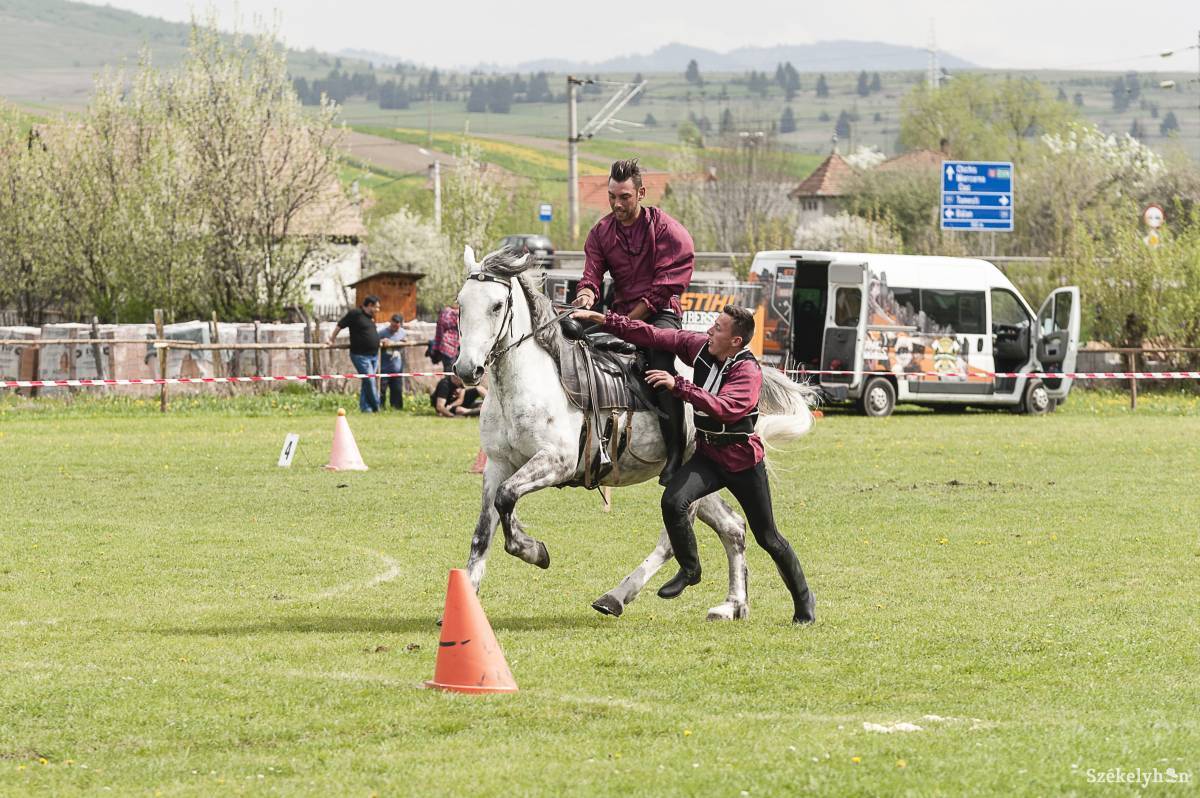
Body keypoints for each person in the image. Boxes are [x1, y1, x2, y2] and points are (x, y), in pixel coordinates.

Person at [572, 304, 816, 625]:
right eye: (713, 325)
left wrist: (679, 386)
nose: (710, 331)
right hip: (709, 457)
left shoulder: (748, 372)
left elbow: (726, 408)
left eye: (719, 328)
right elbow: (655, 334)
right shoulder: (700, 347)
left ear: (736, 341)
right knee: (673, 501)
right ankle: (690, 568)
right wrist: (605, 320)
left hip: (742, 462)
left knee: (768, 538)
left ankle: (804, 601)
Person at [572, 158, 694, 486]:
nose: (617, 203)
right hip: (618, 314)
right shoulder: (600, 232)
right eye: (612, 196)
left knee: (662, 369)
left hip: (659, 315)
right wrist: (585, 296)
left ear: (641, 193)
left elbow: (662, 290)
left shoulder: (668, 231)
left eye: (624, 196)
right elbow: (591, 276)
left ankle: (675, 453)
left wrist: (622, 322)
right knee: (571, 341)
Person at [329, 295, 381, 413]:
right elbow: (340, 325)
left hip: (373, 355)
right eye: (377, 308)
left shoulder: (370, 318)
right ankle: (376, 407)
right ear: (370, 306)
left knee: (367, 381)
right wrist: (332, 339)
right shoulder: (355, 314)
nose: (378, 310)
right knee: (370, 380)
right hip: (360, 355)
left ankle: (366, 408)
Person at [377, 313, 407, 410]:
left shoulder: (402, 332)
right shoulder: (382, 333)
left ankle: (397, 408)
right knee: (382, 389)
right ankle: (380, 408)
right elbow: (375, 342)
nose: (395, 328)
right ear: (391, 323)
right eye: (393, 326)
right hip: (384, 367)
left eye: (397, 327)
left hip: (397, 367)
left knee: (397, 390)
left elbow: (406, 341)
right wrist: (381, 342)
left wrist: (403, 342)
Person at [431, 302, 460, 373]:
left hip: (446, 347)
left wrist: (436, 347)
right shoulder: (461, 314)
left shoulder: (444, 314)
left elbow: (439, 332)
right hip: (459, 347)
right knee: (457, 374)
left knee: (449, 373)